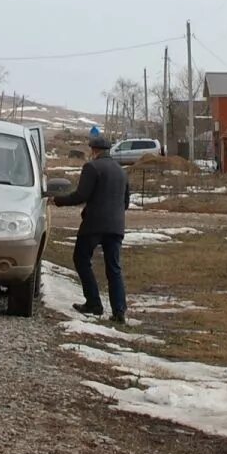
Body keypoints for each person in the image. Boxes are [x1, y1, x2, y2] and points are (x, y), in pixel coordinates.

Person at [54, 129, 130, 324]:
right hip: (116, 226)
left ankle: (94, 303)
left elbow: (81, 195)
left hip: (94, 225)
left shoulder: (92, 167)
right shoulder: (121, 171)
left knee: (81, 259)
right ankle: (119, 311)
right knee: (114, 268)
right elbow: (126, 202)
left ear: (94, 150)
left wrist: (58, 201)